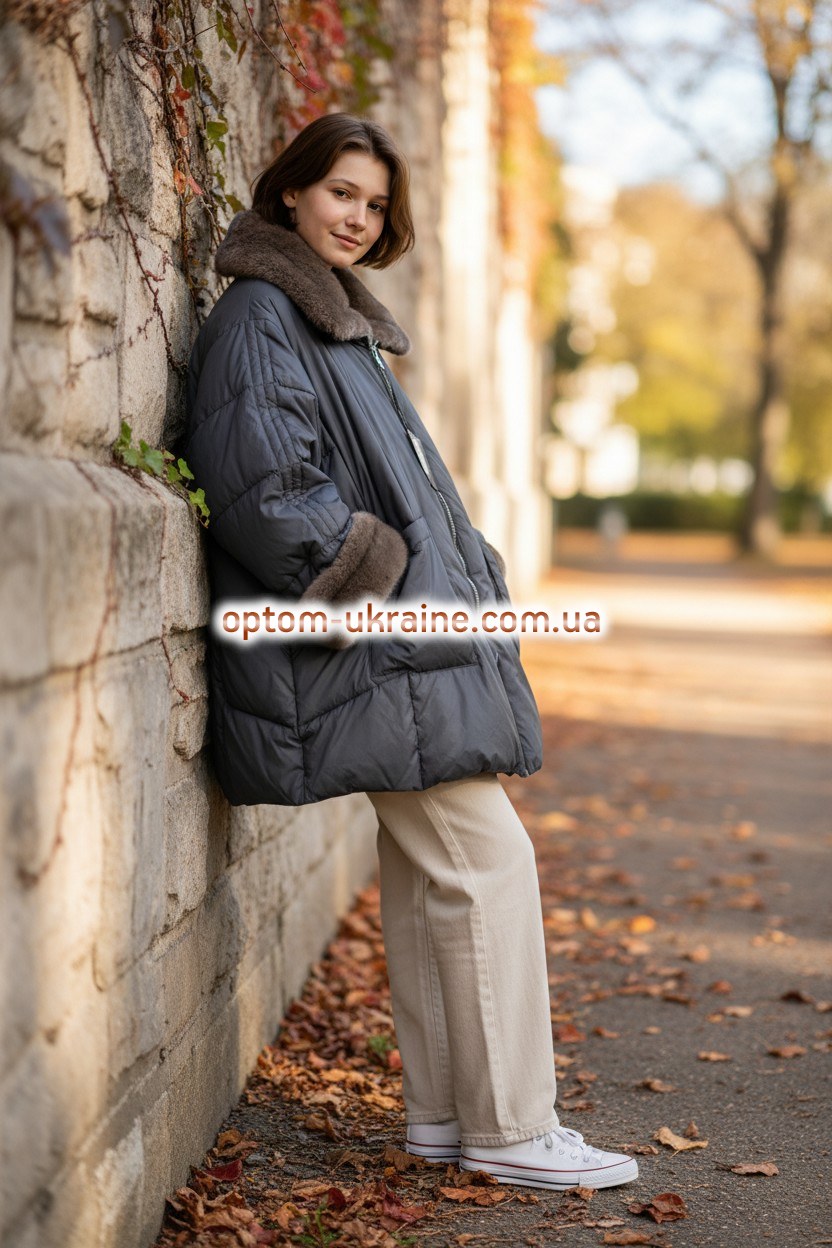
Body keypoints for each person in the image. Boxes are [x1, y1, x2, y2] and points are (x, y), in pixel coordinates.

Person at [182, 112, 637, 1192]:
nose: (357, 216)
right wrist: (378, 581)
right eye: (341, 191)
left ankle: (445, 1117)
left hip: (403, 640)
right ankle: (511, 1126)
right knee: (489, 864)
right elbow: (267, 491)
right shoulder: (262, 314)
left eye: (375, 203)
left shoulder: (330, 319)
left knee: (435, 876)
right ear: (290, 191)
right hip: (377, 640)